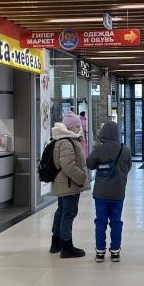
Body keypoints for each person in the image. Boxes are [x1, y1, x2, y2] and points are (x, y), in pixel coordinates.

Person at [86, 121, 132, 262]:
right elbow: (128, 167)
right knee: (116, 222)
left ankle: (100, 252)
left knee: (100, 222)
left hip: (101, 193)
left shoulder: (99, 149)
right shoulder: (125, 150)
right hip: (118, 193)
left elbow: (90, 164)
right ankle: (115, 251)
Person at [50, 111, 90, 259]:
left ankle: (56, 243)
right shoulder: (66, 142)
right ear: (70, 127)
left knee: (61, 211)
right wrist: (82, 177)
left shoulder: (62, 139)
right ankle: (66, 246)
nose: (79, 128)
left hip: (64, 183)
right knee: (68, 213)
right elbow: (68, 166)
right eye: (77, 126)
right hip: (69, 184)